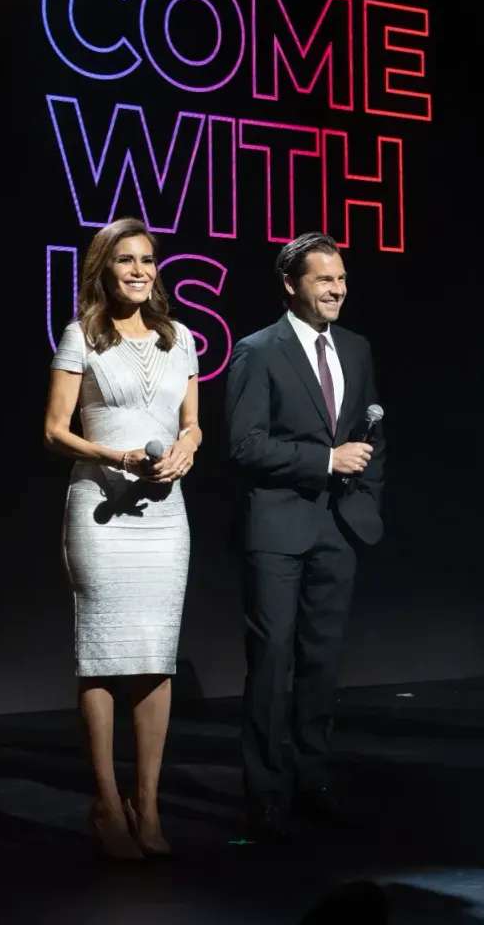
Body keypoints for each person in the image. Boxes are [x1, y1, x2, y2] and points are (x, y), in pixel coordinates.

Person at [43, 217, 200, 859]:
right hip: (100, 507)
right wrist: (116, 455)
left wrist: (186, 449)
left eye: (147, 260)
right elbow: (54, 429)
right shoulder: (82, 336)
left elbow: (192, 424)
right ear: (104, 270)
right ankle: (106, 802)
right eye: (125, 261)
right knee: (103, 655)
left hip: (165, 516)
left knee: (157, 657)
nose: (138, 270)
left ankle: (150, 804)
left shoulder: (181, 338)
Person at [225, 232, 385, 840]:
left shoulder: (356, 348)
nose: (337, 289)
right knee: (271, 662)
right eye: (324, 279)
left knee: (321, 662)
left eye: (341, 279)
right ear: (291, 284)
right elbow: (245, 445)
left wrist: (365, 496)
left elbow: (374, 435)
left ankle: (312, 781)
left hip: (338, 527)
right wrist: (324, 462)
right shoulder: (258, 351)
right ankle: (264, 791)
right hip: (275, 528)